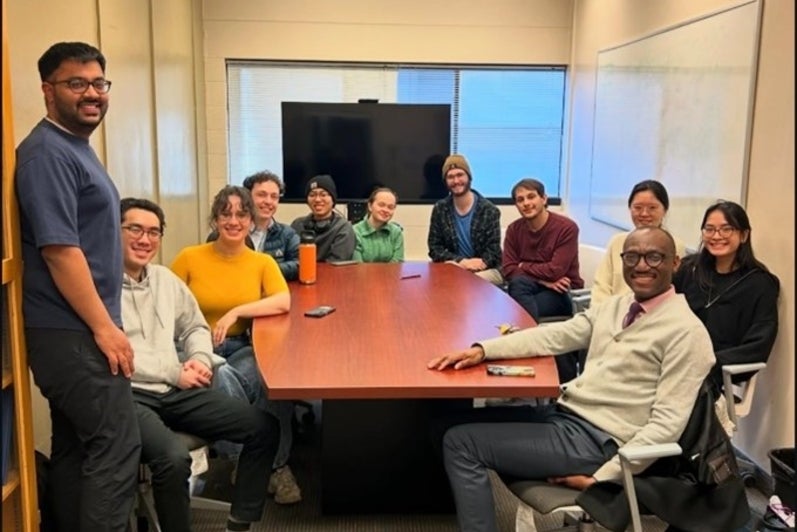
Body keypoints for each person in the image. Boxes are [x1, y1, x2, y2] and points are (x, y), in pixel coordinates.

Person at [427, 227, 716, 532]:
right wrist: (483, 349)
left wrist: (604, 477)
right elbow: (558, 334)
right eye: (631, 256)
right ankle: (456, 504)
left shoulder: (686, 332)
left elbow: (667, 425)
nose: (641, 265)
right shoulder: (618, 307)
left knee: (461, 443)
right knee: (443, 423)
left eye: (654, 257)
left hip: (600, 442)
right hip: (566, 417)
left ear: (675, 264)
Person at [14, 41, 141, 531]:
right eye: (76, 83)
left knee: (75, 447)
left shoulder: (73, 147)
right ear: (48, 90)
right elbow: (60, 252)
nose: (92, 93)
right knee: (116, 445)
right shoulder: (46, 154)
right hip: (72, 332)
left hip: (74, 330)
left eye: (98, 83)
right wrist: (105, 329)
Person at [119, 198, 278, 532]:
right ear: (113, 230)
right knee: (174, 460)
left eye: (153, 232)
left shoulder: (164, 279)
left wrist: (200, 359)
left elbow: (193, 326)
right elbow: (119, 351)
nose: (145, 240)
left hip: (175, 389)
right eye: (134, 229)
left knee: (263, 427)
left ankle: (239, 523)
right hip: (128, 394)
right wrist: (176, 371)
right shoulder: (99, 285)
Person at [170, 186, 301, 504]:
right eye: (225, 213)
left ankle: (268, 463)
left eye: (241, 214)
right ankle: (259, 461)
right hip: (194, 347)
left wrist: (237, 312)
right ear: (215, 218)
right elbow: (165, 304)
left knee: (272, 379)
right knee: (221, 373)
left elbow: (282, 300)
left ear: (251, 219)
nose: (233, 220)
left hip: (241, 344)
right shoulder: (190, 257)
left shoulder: (261, 263)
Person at [673, 200, 779, 396]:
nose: (716, 236)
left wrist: (706, 364)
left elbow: (757, 347)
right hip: (672, 361)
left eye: (726, 229)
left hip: (714, 378)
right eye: (709, 229)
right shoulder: (688, 269)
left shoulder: (761, 284)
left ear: (744, 235)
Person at [591, 179, 687, 305]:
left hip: (651, 316)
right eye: (637, 207)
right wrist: (603, 316)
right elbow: (601, 287)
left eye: (652, 208)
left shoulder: (674, 245)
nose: (644, 213)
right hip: (610, 315)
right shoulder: (617, 242)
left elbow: (672, 294)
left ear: (665, 210)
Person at [502, 178, 584, 321]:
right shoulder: (513, 229)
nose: (526, 203)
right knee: (517, 286)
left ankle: (524, 336)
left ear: (544, 199)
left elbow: (555, 271)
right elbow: (508, 269)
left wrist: (523, 265)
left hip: (562, 291)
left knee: (512, 309)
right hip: (529, 287)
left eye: (531, 197)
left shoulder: (566, 228)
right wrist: (543, 281)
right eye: (520, 200)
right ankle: (526, 334)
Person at [208, 171, 300, 280]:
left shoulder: (287, 234)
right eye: (262, 195)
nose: (268, 201)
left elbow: (301, 264)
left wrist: (263, 270)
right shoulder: (227, 232)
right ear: (247, 196)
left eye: (274, 197)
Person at [427, 154, 503, 285]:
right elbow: (435, 248)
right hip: (454, 266)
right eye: (450, 177)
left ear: (469, 177)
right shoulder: (440, 209)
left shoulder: (489, 210)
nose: (456, 181)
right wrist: (461, 262)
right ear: (445, 181)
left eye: (460, 175)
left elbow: (493, 252)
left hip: (485, 270)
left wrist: (474, 265)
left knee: (466, 283)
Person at [290, 174, 356, 261]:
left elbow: (337, 263)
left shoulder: (343, 227)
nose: (317, 199)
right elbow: (292, 257)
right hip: (299, 273)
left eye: (323, 195)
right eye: (312, 195)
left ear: (333, 200)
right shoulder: (297, 224)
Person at [352, 186, 404, 262]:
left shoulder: (396, 232)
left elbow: (397, 264)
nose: (386, 210)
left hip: (391, 274)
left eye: (390, 207)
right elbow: (358, 266)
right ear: (370, 206)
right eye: (381, 205)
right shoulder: (355, 232)